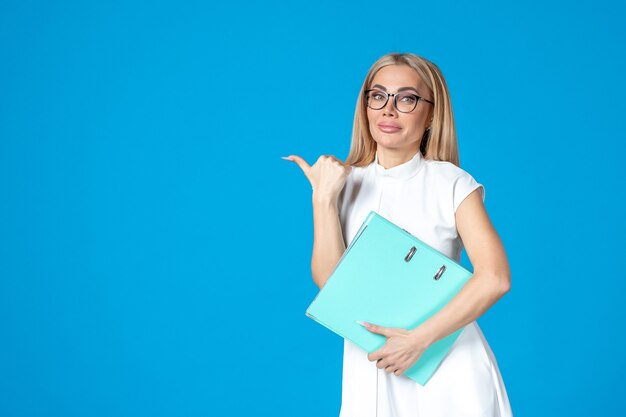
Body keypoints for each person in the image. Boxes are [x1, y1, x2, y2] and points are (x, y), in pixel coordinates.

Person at [283, 52, 513, 417]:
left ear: (431, 113)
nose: (388, 110)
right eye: (378, 96)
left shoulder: (452, 183)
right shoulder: (343, 184)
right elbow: (332, 284)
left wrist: (418, 341)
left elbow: (496, 278)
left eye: (406, 98)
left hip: (445, 364)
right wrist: (323, 198)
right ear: (366, 105)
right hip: (374, 365)